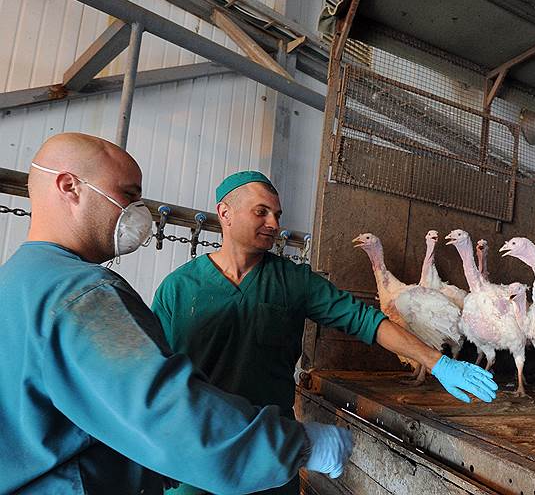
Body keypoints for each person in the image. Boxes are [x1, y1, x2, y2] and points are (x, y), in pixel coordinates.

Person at [0, 132, 356, 494]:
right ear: (70, 187)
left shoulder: (16, 281)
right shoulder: (82, 295)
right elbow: (162, 409)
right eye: (128, 194)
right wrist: (300, 444)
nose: (138, 210)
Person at [151, 171, 498, 495]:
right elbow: (152, 378)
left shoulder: (294, 281)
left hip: (271, 459)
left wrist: (438, 363)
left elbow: (365, 320)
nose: (274, 224)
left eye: (277, 215)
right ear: (225, 213)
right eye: (261, 212)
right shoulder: (178, 289)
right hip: (195, 461)